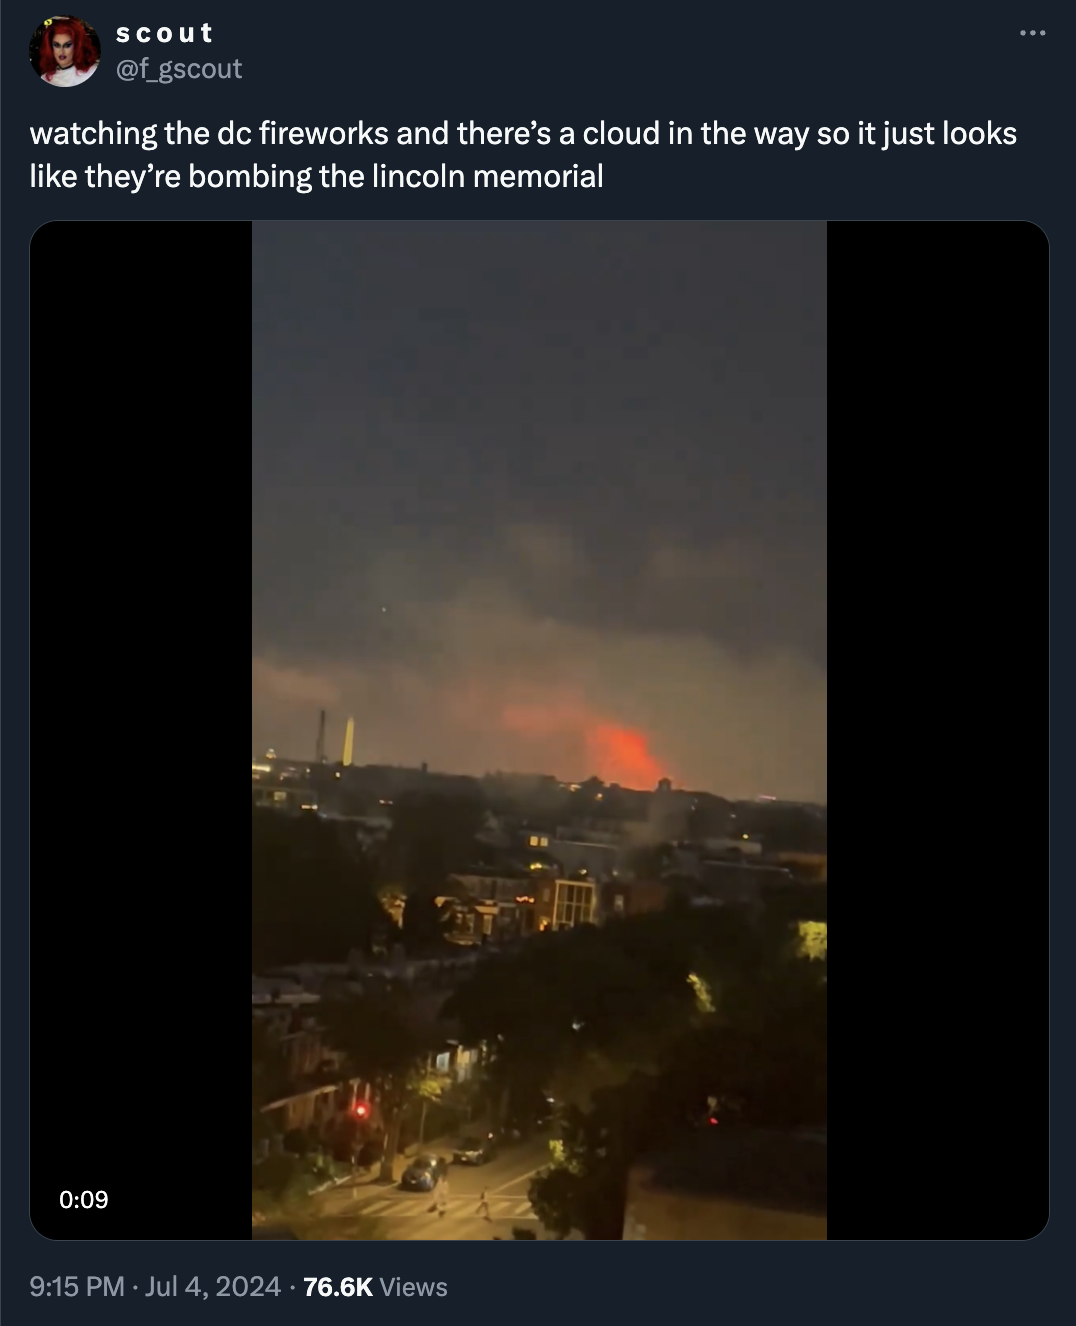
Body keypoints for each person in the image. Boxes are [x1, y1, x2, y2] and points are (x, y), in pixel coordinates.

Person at [37, 17, 99, 86]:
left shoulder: (92, 72)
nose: (61, 51)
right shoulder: (45, 78)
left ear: (77, 46)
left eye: (67, 45)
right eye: (56, 45)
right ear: (50, 47)